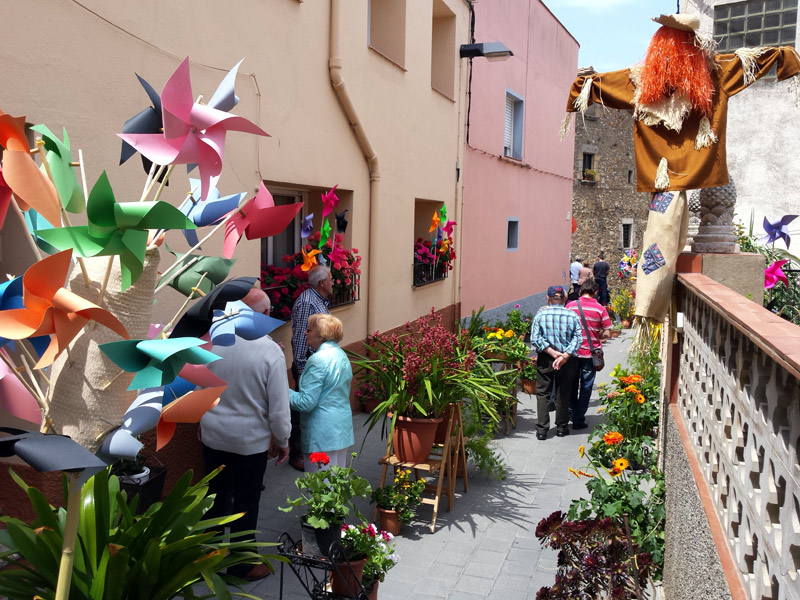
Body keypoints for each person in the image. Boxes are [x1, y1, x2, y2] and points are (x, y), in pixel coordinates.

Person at [564, 12, 800, 323]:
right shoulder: (715, 73)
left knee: (659, 240)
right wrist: (787, 58)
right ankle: (653, 313)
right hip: (688, 176)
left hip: (664, 186)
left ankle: (649, 312)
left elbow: (591, 86)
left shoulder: (639, 80)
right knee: (663, 239)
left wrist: (588, 80)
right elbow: (770, 59)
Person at [200, 288, 291, 581]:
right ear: (263, 315)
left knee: (215, 496)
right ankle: (241, 564)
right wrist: (283, 439)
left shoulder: (213, 343)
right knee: (246, 501)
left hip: (213, 434)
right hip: (249, 441)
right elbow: (279, 407)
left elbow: (199, 389)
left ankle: (208, 558)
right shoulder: (269, 351)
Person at [289, 313, 354, 471]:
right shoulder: (341, 354)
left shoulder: (318, 359)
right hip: (340, 429)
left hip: (322, 435)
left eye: (309, 330)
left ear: (321, 335)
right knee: (336, 485)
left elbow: (305, 403)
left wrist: (281, 390)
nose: (305, 332)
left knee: (321, 488)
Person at [289, 265, 334, 471]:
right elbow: (300, 338)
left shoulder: (319, 300)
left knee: (314, 411)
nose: (334, 282)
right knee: (300, 411)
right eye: (331, 279)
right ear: (322, 283)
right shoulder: (308, 302)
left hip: (316, 365)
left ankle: (312, 451)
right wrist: (302, 370)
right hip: (307, 366)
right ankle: (296, 454)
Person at [530, 285, 582, 440]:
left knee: (543, 393)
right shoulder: (572, 315)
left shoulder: (541, 314)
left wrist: (552, 352)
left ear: (548, 298)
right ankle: (561, 427)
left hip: (546, 358)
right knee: (563, 393)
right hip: (567, 361)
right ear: (564, 298)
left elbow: (534, 338)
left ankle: (542, 430)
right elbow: (578, 338)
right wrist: (565, 356)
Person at [566, 280, 612, 430]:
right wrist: (596, 335)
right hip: (590, 355)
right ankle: (579, 418)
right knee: (586, 386)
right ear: (596, 292)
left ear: (580, 291)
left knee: (572, 385)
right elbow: (607, 332)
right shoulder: (600, 309)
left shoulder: (570, 306)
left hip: (571, 354)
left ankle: (571, 412)